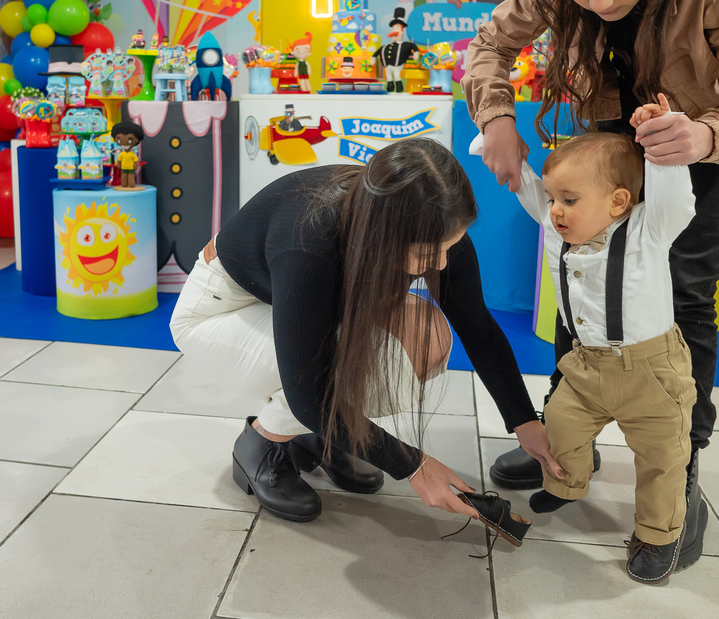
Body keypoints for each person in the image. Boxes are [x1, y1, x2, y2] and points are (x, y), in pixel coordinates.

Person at [461, 0, 719, 571]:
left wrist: (703, 134)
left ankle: (682, 462)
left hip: (703, 142)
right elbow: (488, 45)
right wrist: (497, 121)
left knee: (684, 294)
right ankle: (564, 441)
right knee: (578, 276)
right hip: (610, 136)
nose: (600, 1)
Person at [170, 138, 562, 526]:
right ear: (383, 235)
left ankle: (317, 437)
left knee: (427, 336)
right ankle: (262, 442)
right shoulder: (310, 236)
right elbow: (307, 393)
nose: (441, 264)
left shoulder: (432, 224)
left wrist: (525, 422)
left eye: (450, 246)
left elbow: (478, 329)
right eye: (429, 253)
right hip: (222, 309)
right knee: (341, 377)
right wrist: (414, 466)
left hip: (290, 298)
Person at [510, 115, 697, 584]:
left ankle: (658, 536)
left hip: (651, 371)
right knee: (562, 422)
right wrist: (510, 160)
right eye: (554, 199)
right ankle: (566, 483)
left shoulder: (648, 232)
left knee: (662, 458)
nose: (555, 210)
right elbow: (530, 190)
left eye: (569, 200)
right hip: (586, 366)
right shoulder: (560, 231)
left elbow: (676, 199)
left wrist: (660, 145)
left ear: (618, 202)